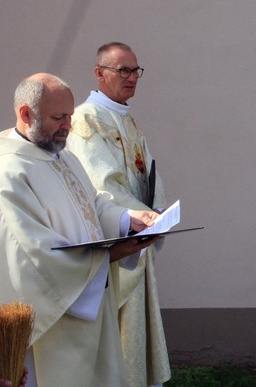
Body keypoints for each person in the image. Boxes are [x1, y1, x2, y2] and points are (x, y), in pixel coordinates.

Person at [0, 73, 160, 387]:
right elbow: (31, 254)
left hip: (93, 304)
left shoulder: (64, 157)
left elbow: (92, 204)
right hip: (56, 322)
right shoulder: (8, 173)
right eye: (58, 117)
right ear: (26, 114)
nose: (68, 125)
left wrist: (128, 219)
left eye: (69, 115)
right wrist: (107, 257)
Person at [66, 42, 170, 387]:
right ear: (100, 73)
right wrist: (144, 218)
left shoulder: (126, 118)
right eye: (122, 70)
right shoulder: (85, 121)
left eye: (135, 70)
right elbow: (101, 186)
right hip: (115, 247)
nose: (132, 78)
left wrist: (157, 210)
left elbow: (146, 175)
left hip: (138, 237)